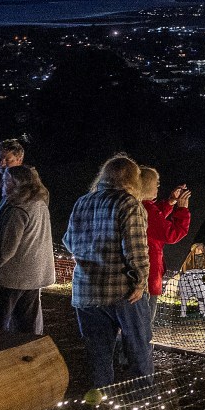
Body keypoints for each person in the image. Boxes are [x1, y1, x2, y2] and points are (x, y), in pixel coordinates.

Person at [65, 154, 151, 388]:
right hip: (122, 292)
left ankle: (100, 403)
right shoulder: (129, 204)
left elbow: (69, 242)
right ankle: (142, 400)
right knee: (138, 348)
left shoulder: (82, 202)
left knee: (98, 353)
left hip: (86, 291)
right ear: (134, 180)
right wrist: (140, 282)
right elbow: (136, 249)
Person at [0, 164, 55, 335]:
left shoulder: (17, 209)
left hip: (11, 278)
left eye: (6, 181)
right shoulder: (38, 204)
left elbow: (6, 250)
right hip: (33, 276)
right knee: (27, 327)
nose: (2, 185)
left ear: (16, 183)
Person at [138, 167, 191, 313]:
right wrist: (182, 210)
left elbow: (156, 217)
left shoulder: (137, 205)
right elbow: (172, 234)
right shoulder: (147, 209)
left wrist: (171, 201)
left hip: (137, 277)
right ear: (147, 186)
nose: (158, 186)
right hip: (147, 277)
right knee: (143, 326)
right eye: (156, 183)